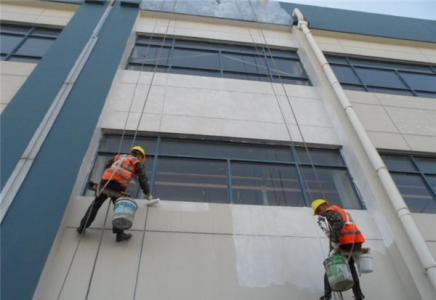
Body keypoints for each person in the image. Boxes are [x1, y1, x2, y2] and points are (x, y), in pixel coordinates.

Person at [77, 146, 152, 242]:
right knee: (121, 208)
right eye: (142, 159)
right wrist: (147, 193)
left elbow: (107, 166)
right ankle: (119, 234)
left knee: (96, 204)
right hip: (118, 185)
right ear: (140, 156)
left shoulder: (119, 157)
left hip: (106, 181)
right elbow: (143, 178)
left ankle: (82, 226)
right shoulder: (135, 161)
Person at [311, 198, 366, 300]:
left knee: (330, 266)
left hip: (347, 243)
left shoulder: (329, 212)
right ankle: (358, 294)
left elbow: (338, 224)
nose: (319, 214)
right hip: (355, 242)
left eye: (318, 211)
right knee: (350, 267)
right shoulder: (338, 210)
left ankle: (327, 296)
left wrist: (335, 242)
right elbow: (339, 227)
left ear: (323, 206)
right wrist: (333, 244)